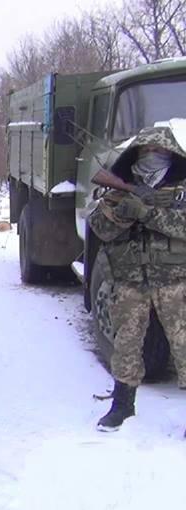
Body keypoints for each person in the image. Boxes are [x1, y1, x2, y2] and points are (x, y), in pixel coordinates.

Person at [88, 126, 186, 432]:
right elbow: (99, 228)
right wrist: (122, 214)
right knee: (126, 343)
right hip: (130, 280)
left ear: (170, 154)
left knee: (183, 343)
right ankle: (122, 405)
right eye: (146, 151)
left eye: (158, 151)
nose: (152, 156)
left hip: (174, 280)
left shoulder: (181, 188)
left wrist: (149, 213)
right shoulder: (120, 188)